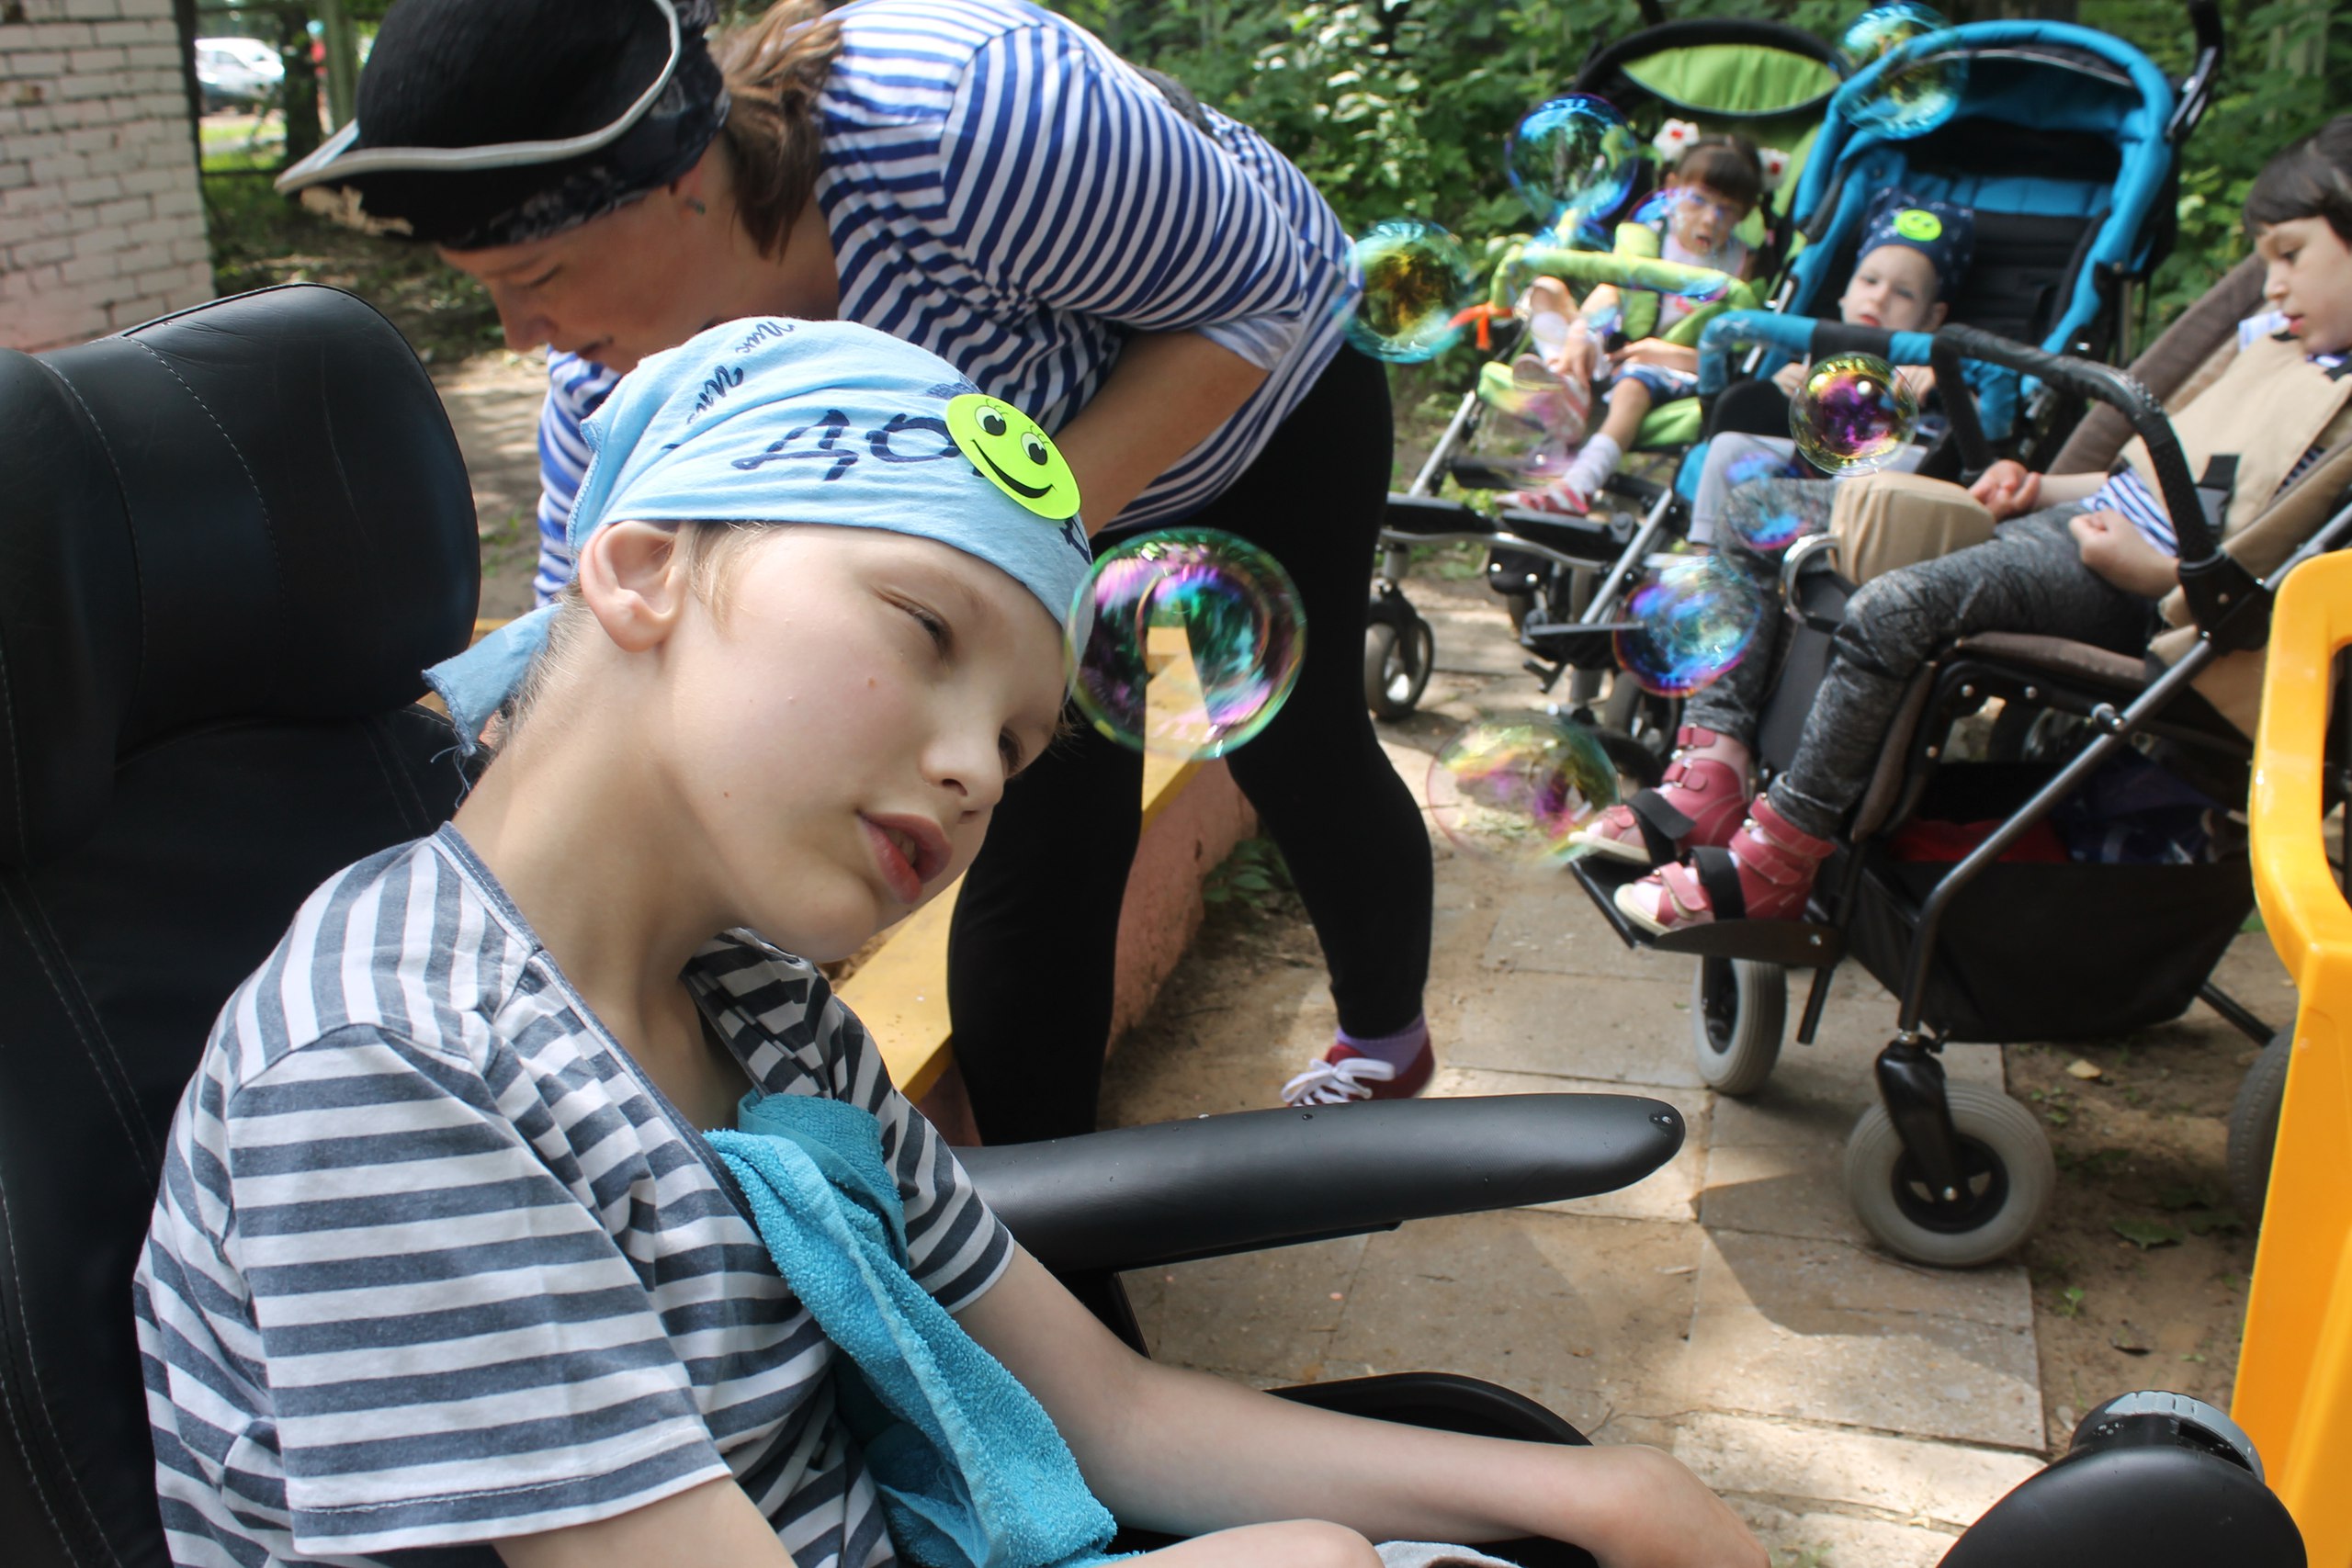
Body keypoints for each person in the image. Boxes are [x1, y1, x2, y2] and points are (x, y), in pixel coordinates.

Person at [132, 319, 1765, 1568]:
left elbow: (1111, 1409)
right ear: (640, 569)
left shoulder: (762, 1014)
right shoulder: (392, 1073)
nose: (981, 766)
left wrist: (1601, 1492)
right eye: (925, 630)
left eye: (1020, 738)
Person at [279, 0, 1442, 1126]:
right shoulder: (607, 384)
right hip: (1000, 510)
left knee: (1294, 741)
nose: (519, 335)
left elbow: (1267, 294)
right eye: (484, 286)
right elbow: (566, 674)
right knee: (1039, 844)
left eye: (536, 278)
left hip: (1254, 401)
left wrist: (1000, 557)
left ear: (679, 178)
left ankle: (1385, 1043)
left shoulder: (976, 117)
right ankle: (1055, 1221)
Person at [1603, 117, 2352, 931]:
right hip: (2076, 520)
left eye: (2291, 256)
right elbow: (2156, 472)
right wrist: (2038, 486)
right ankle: (1712, 771)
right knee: (1756, 510)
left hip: (2138, 589)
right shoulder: (2276, 348)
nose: (2272, 285)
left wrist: (2155, 575)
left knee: (1894, 606)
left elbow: (2298, 588)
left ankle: (1781, 852)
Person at [1571, 190, 1977, 867]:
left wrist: (1932, 381)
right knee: (1733, 445)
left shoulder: (1930, 370)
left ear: (1934, 318)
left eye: (1903, 293)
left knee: (1829, 481)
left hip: (1883, 494)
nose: (1879, 298)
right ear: (1842, 290)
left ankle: (1723, 760)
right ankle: (1705, 580)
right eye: (1869, 280)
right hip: (1801, 490)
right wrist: (1794, 394)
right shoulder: (1814, 359)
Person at [1503, 134, 1769, 515]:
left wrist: (1661, 353)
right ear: (1671, 189)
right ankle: (1566, 380)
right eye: (1699, 200)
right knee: (1545, 289)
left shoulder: (1741, 267)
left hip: (1671, 367)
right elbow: (1610, 292)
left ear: (1742, 216)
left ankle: (1579, 485)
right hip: (1612, 345)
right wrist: (1583, 331)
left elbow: (1733, 357)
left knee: (1634, 382)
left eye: (1727, 210)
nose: (1711, 218)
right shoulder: (1649, 238)